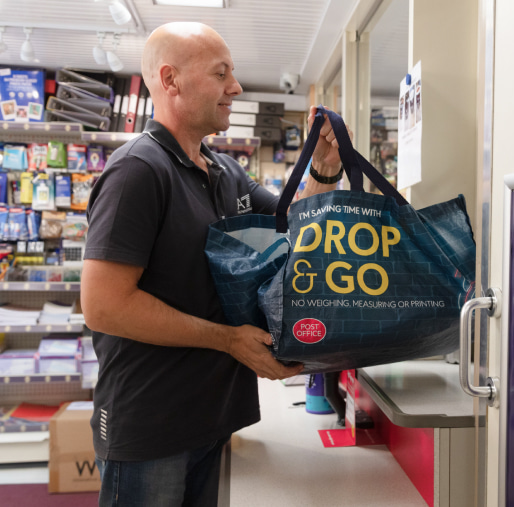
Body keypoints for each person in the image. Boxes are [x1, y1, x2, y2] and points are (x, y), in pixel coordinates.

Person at [81, 21, 348, 507]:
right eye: (221, 73)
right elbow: (104, 307)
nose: (236, 87)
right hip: (150, 429)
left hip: (213, 417)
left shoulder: (225, 172)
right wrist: (227, 339)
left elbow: (301, 230)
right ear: (171, 80)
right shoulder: (137, 172)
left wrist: (325, 164)